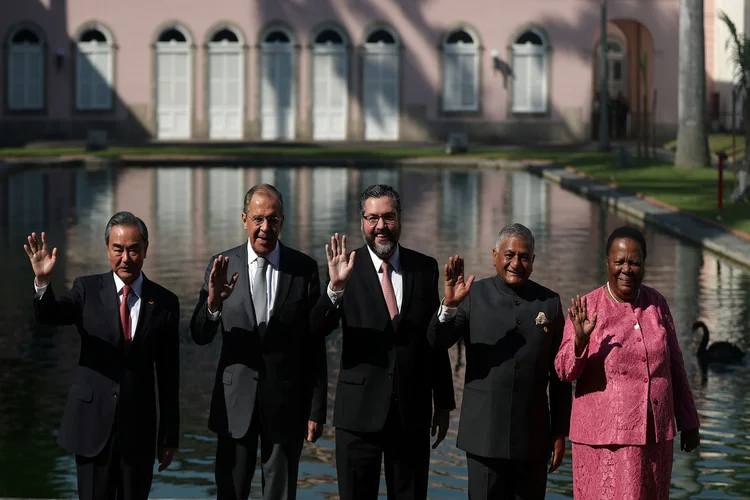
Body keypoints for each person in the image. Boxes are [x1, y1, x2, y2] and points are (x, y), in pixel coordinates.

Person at [311, 184, 455, 500]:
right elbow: (317, 329)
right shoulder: (345, 267)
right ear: (362, 221)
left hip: (412, 414)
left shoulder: (425, 267)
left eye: (388, 217)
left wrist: (443, 403)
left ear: (400, 218)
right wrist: (334, 289)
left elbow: (434, 341)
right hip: (358, 416)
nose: (380, 227)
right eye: (372, 218)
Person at [25, 212, 180, 500]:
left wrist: (169, 436)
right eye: (118, 249)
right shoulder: (87, 289)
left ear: (145, 249)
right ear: (107, 249)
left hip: (139, 430)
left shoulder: (166, 302)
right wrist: (43, 282)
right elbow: (51, 315)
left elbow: (169, 374)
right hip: (92, 426)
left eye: (133, 249)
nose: (125, 258)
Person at [190, 184, 328, 500]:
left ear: (282, 222)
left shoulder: (303, 269)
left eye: (273, 219)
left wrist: (316, 408)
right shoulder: (220, 265)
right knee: (230, 493)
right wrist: (212, 304)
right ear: (244, 220)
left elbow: (314, 344)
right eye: (258, 219)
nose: (265, 228)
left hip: (286, 406)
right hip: (234, 404)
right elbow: (199, 336)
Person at [427, 223, 572, 500]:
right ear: (495, 256)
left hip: (532, 439)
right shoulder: (472, 296)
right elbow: (437, 341)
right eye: (509, 255)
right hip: (484, 437)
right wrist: (449, 306)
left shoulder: (550, 302)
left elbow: (560, 375)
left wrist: (559, 432)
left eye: (524, 256)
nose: (516, 263)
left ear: (533, 261)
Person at [555, 226, 701, 500]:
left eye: (634, 262)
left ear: (644, 264)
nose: (627, 269)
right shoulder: (587, 307)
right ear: (607, 263)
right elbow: (563, 371)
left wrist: (689, 420)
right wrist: (580, 342)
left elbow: (676, 366)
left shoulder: (657, 303)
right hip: (605, 442)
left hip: (655, 438)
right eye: (619, 262)